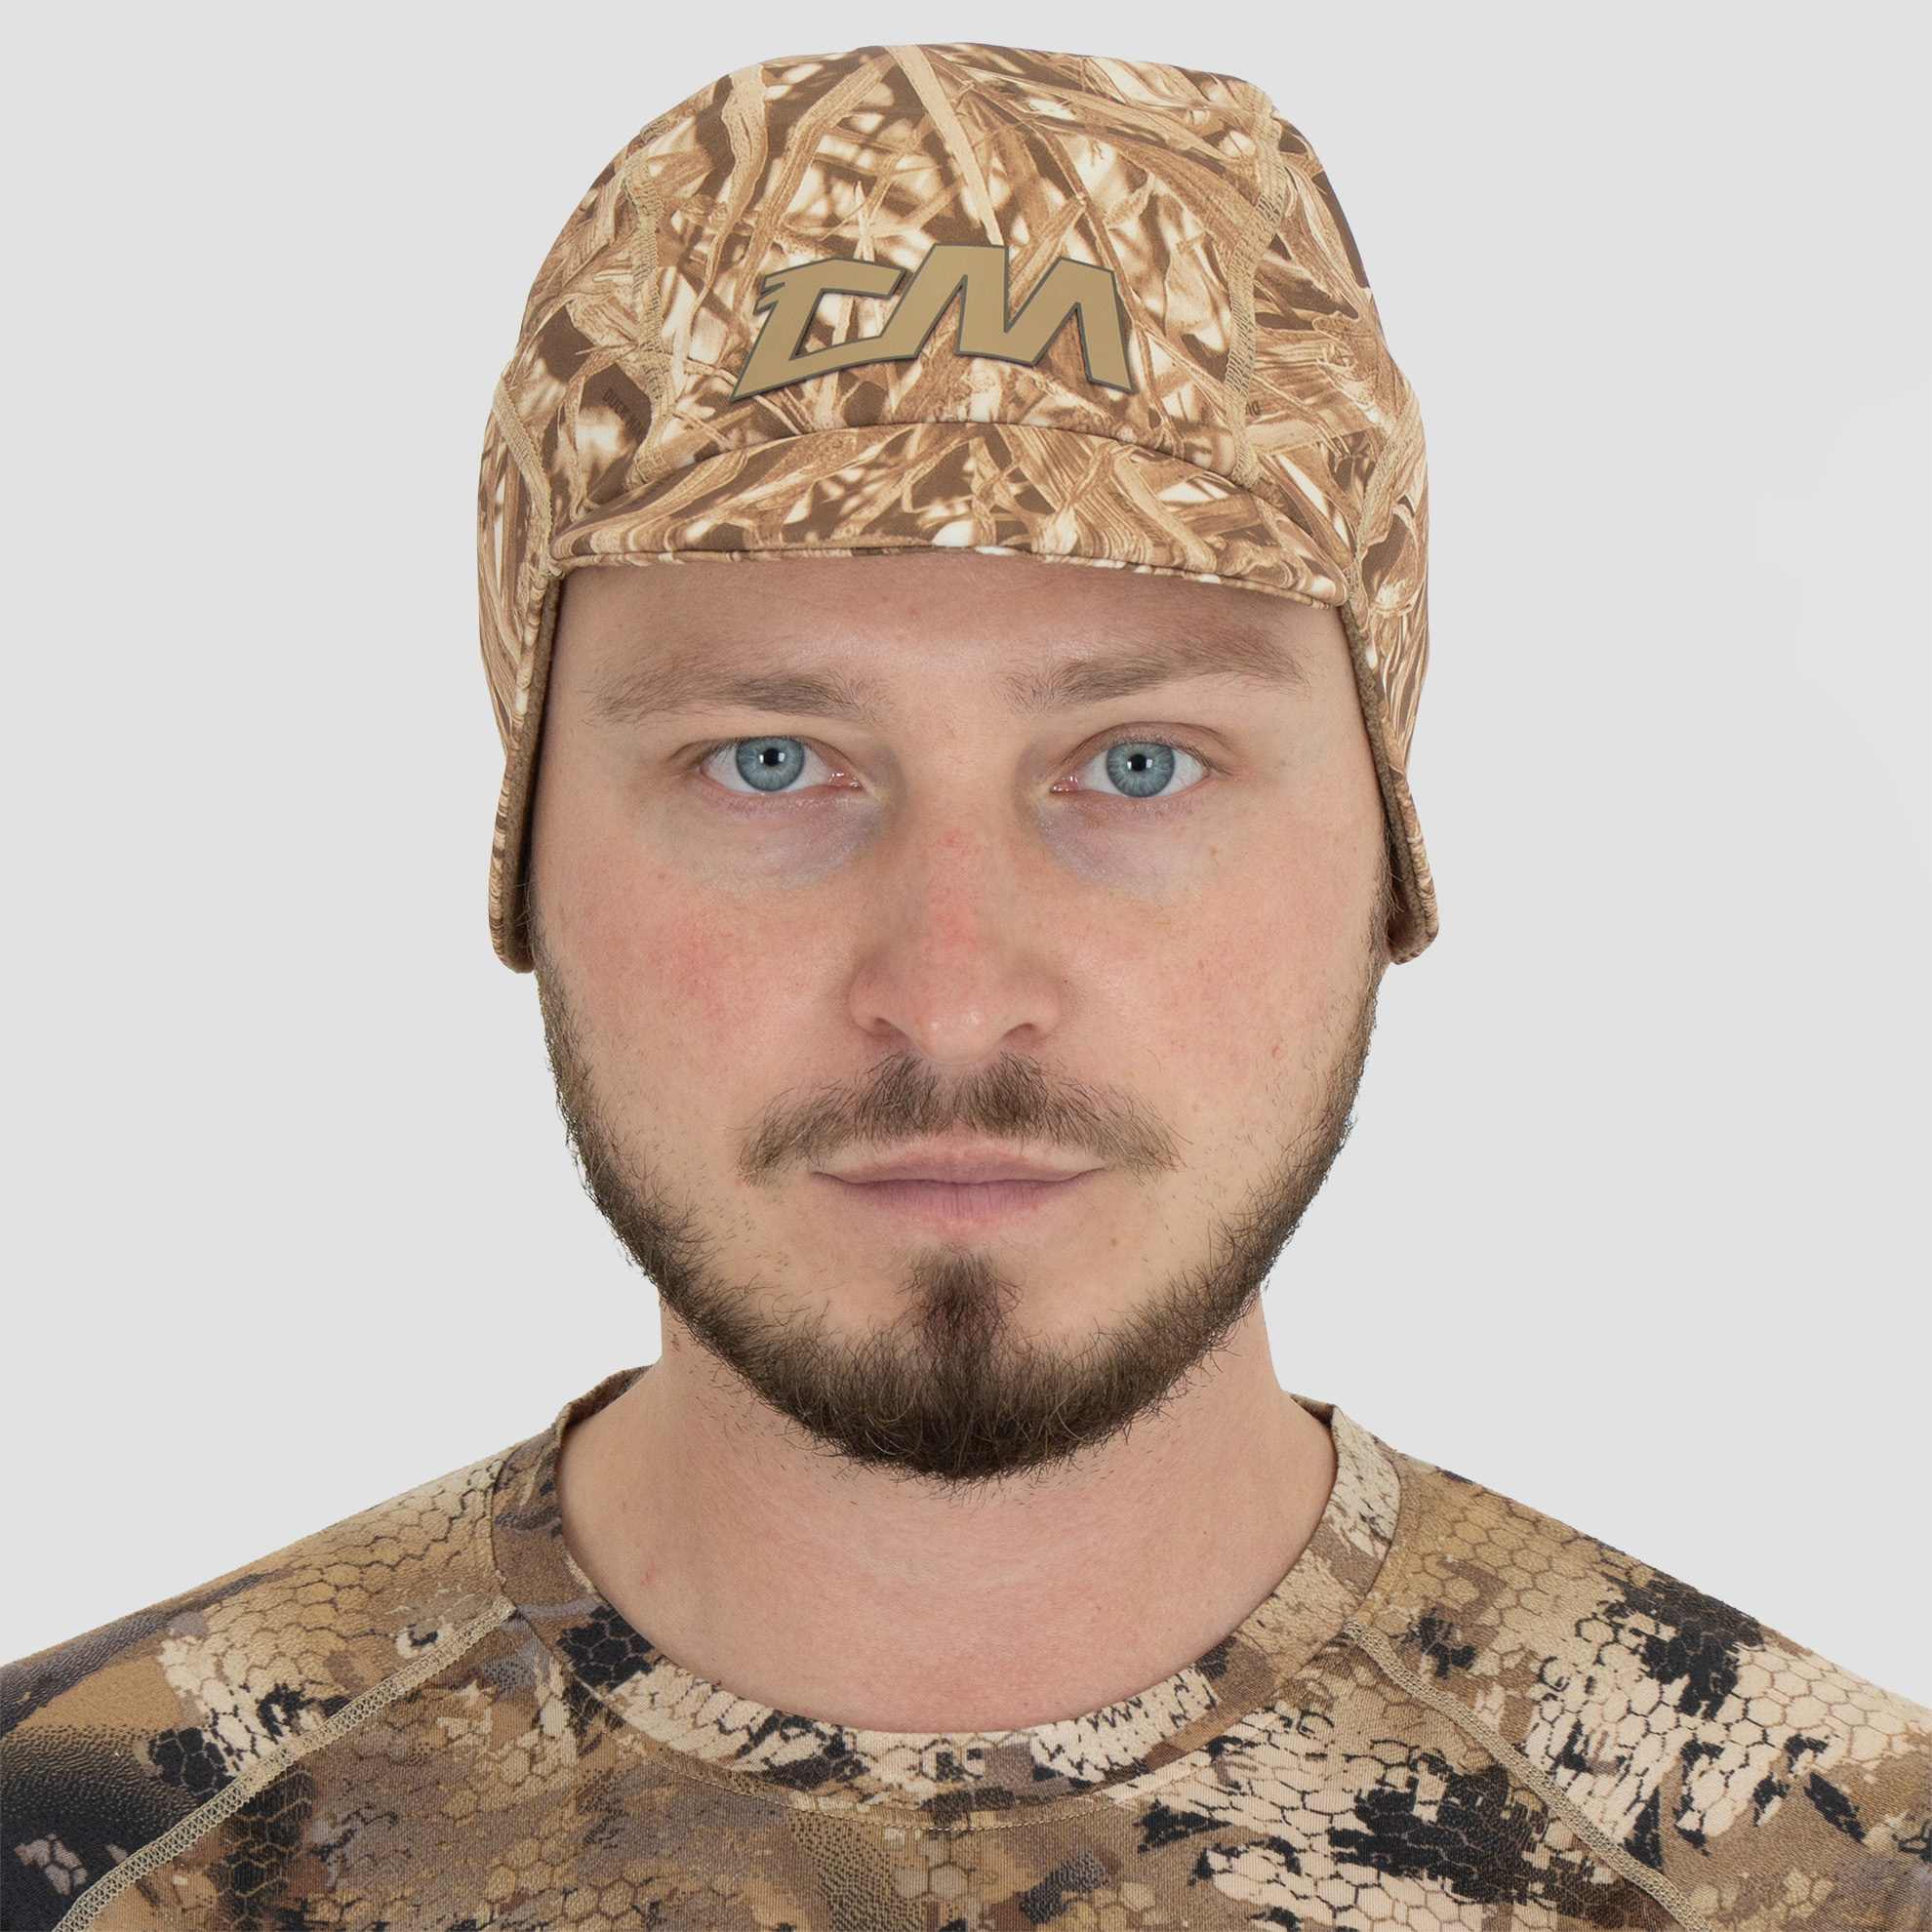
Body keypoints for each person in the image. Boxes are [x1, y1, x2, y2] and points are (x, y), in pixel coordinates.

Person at [3, 42, 1924, 1932]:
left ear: (1387, 848)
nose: (948, 997)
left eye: (1140, 763)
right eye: (769, 762)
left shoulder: (1823, 1875)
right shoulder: (76, 1848)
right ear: (525, 848)